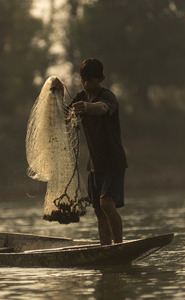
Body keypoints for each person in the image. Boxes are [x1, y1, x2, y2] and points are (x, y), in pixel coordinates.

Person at [51, 58, 128, 245]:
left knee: (106, 204)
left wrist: (87, 107)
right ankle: (106, 249)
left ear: (101, 79)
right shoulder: (81, 96)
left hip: (113, 161)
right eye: (83, 80)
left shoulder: (108, 97)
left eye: (91, 80)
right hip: (94, 165)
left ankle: (119, 246)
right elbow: (65, 118)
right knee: (99, 212)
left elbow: (102, 108)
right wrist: (59, 95)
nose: (86, 84)